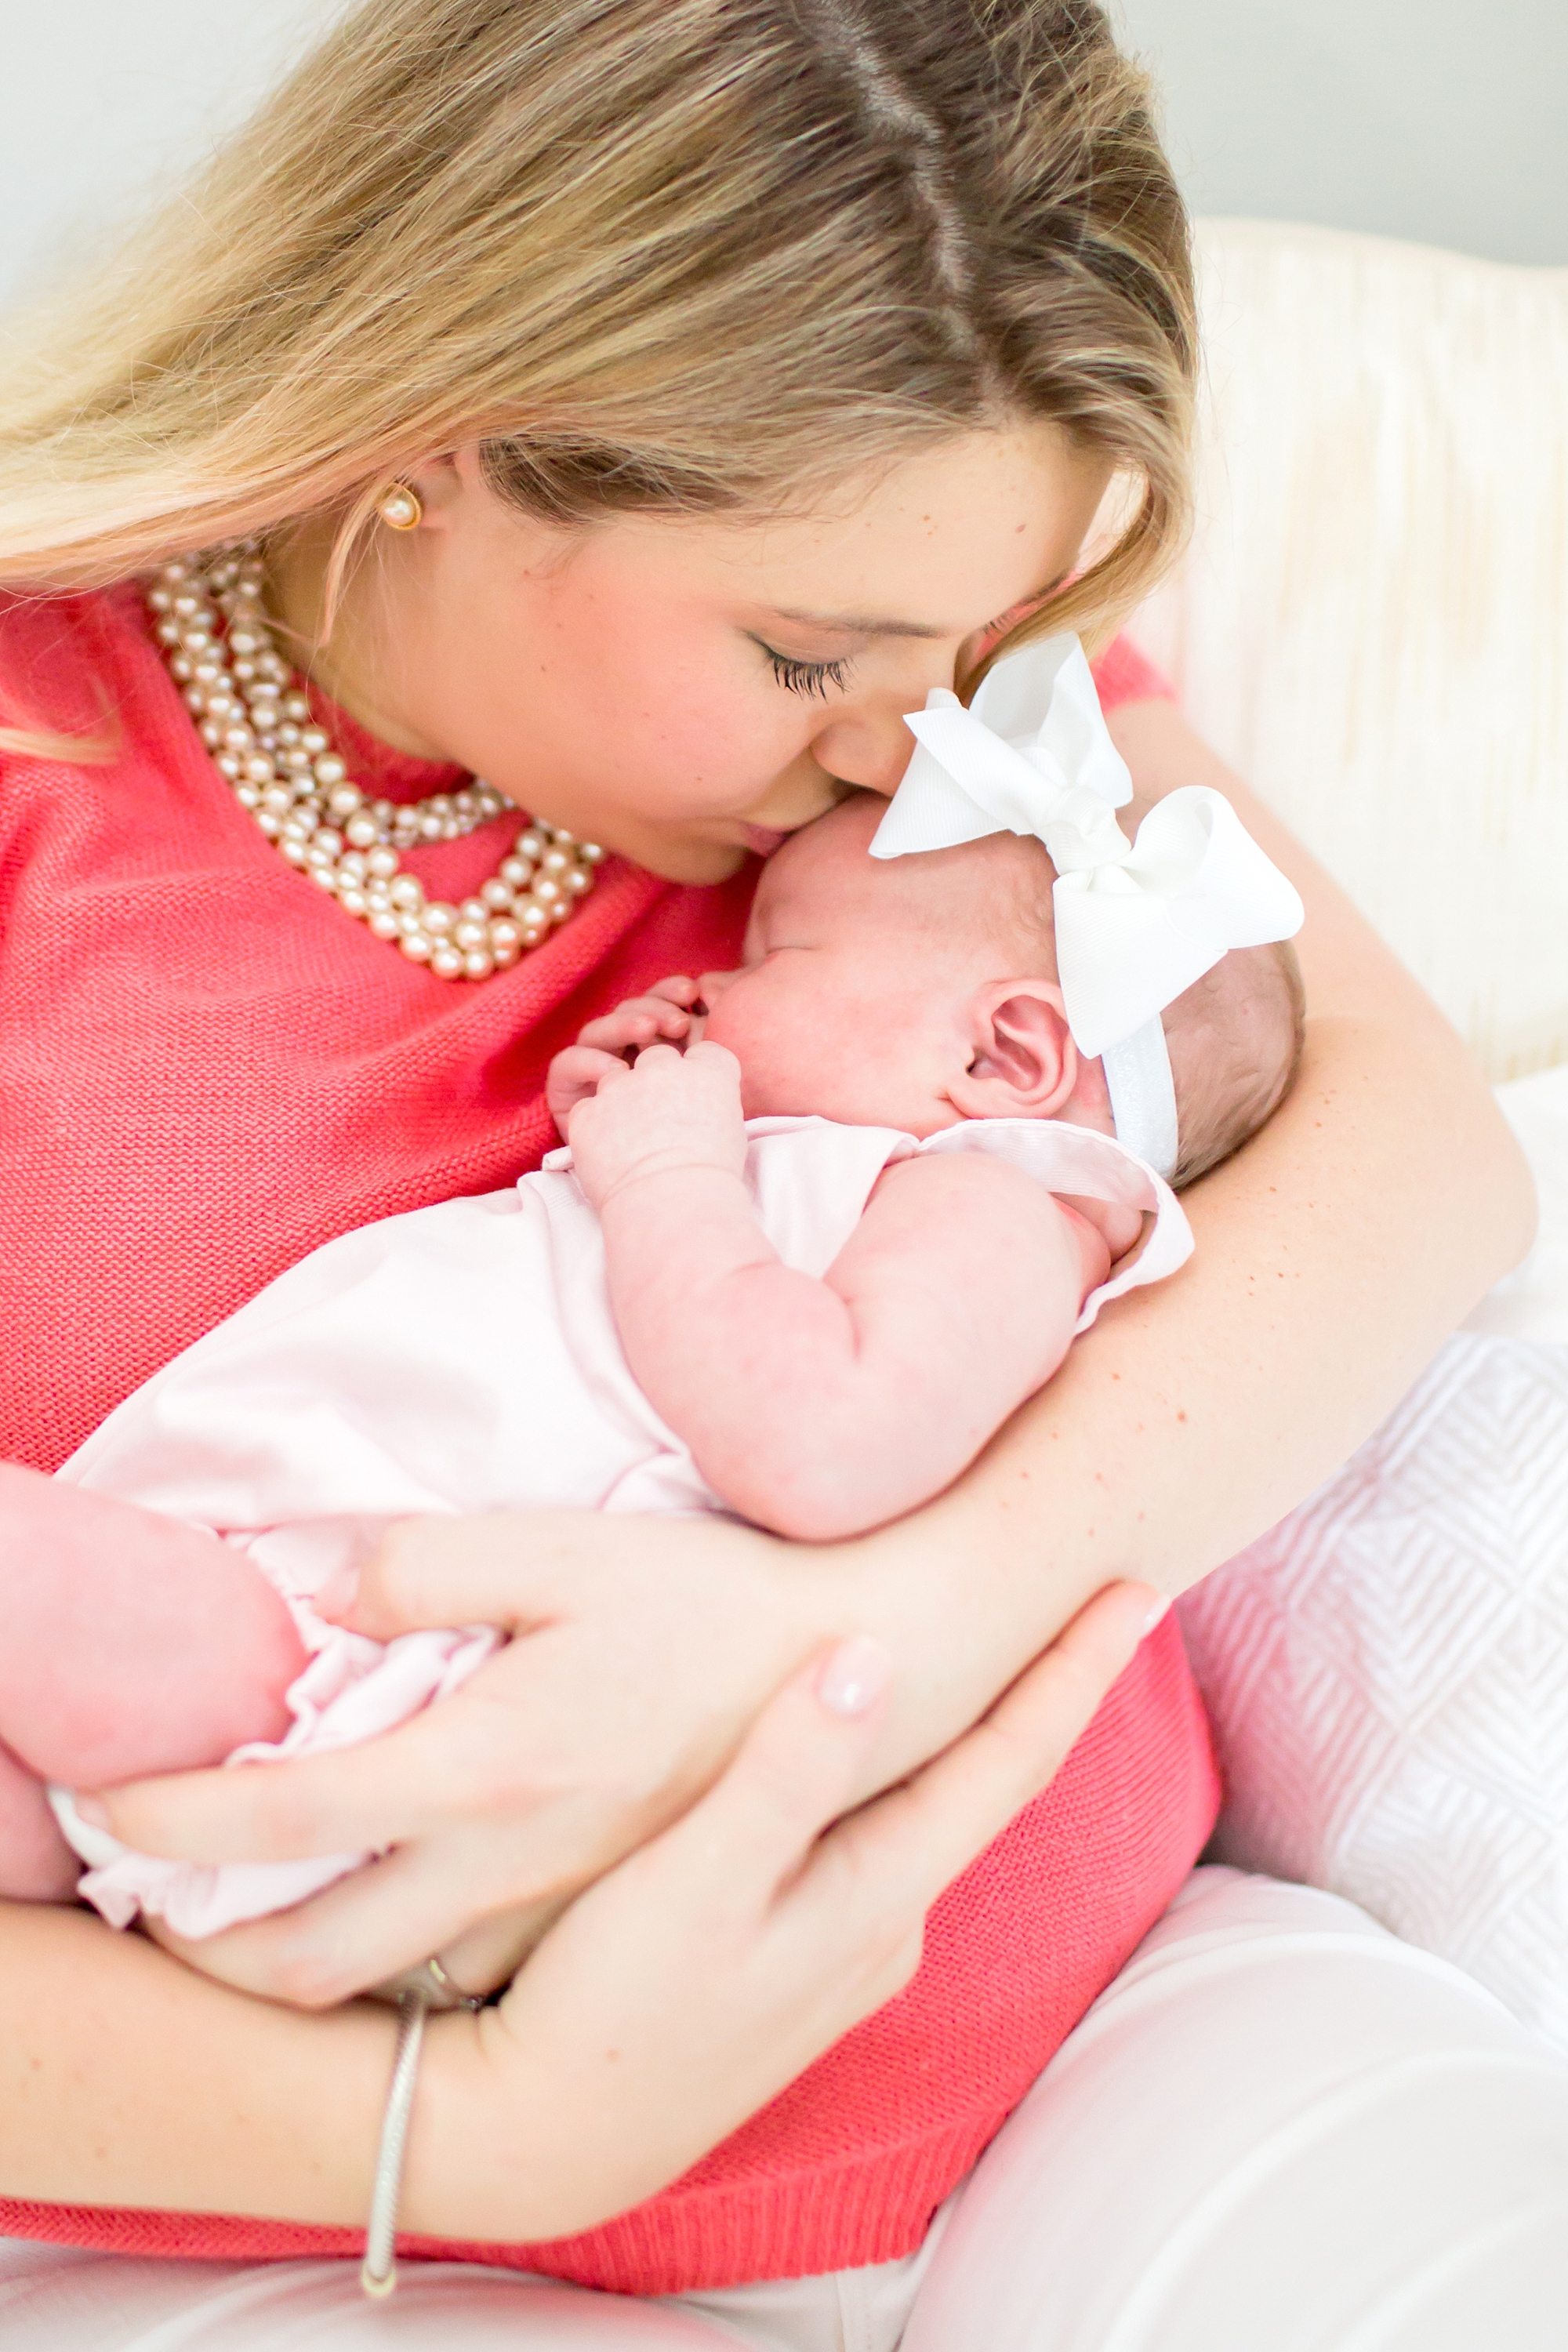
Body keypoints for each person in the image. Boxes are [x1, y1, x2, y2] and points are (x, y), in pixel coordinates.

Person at [2, 1, 1562, 2345]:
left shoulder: (941, 729)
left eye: (982, 653)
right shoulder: (51, 767)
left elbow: (1415, 1145)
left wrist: (876, 1630)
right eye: (804, 651)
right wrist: (490, 2128)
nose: (911, 749)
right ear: (445, 429)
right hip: (312, 2202)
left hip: (1098, 2039)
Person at [5, 734, 1303, 1931]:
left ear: (1007, 1054)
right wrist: (635, 1131)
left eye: (774, 961)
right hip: (267, 1622)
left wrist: (666, 1175)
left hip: (346, 1666)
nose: (709, 987)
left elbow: (817, 1447)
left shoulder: (995, 1204)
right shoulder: (858, 1171)